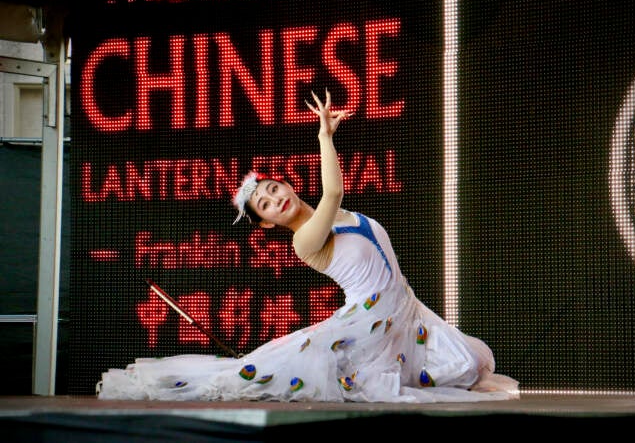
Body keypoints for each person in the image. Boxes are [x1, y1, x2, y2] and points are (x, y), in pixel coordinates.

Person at [96, 90, 519, 402]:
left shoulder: (343, 217)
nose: (277, 198)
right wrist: (324, 135)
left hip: (406, 317)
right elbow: (332, 194)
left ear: (287, 184)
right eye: (266, 204)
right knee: (258, 375)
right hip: (368, 327)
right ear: (267, 221)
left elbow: (341, 210)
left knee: (470, 363)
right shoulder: (305, 240)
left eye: (274, 188)